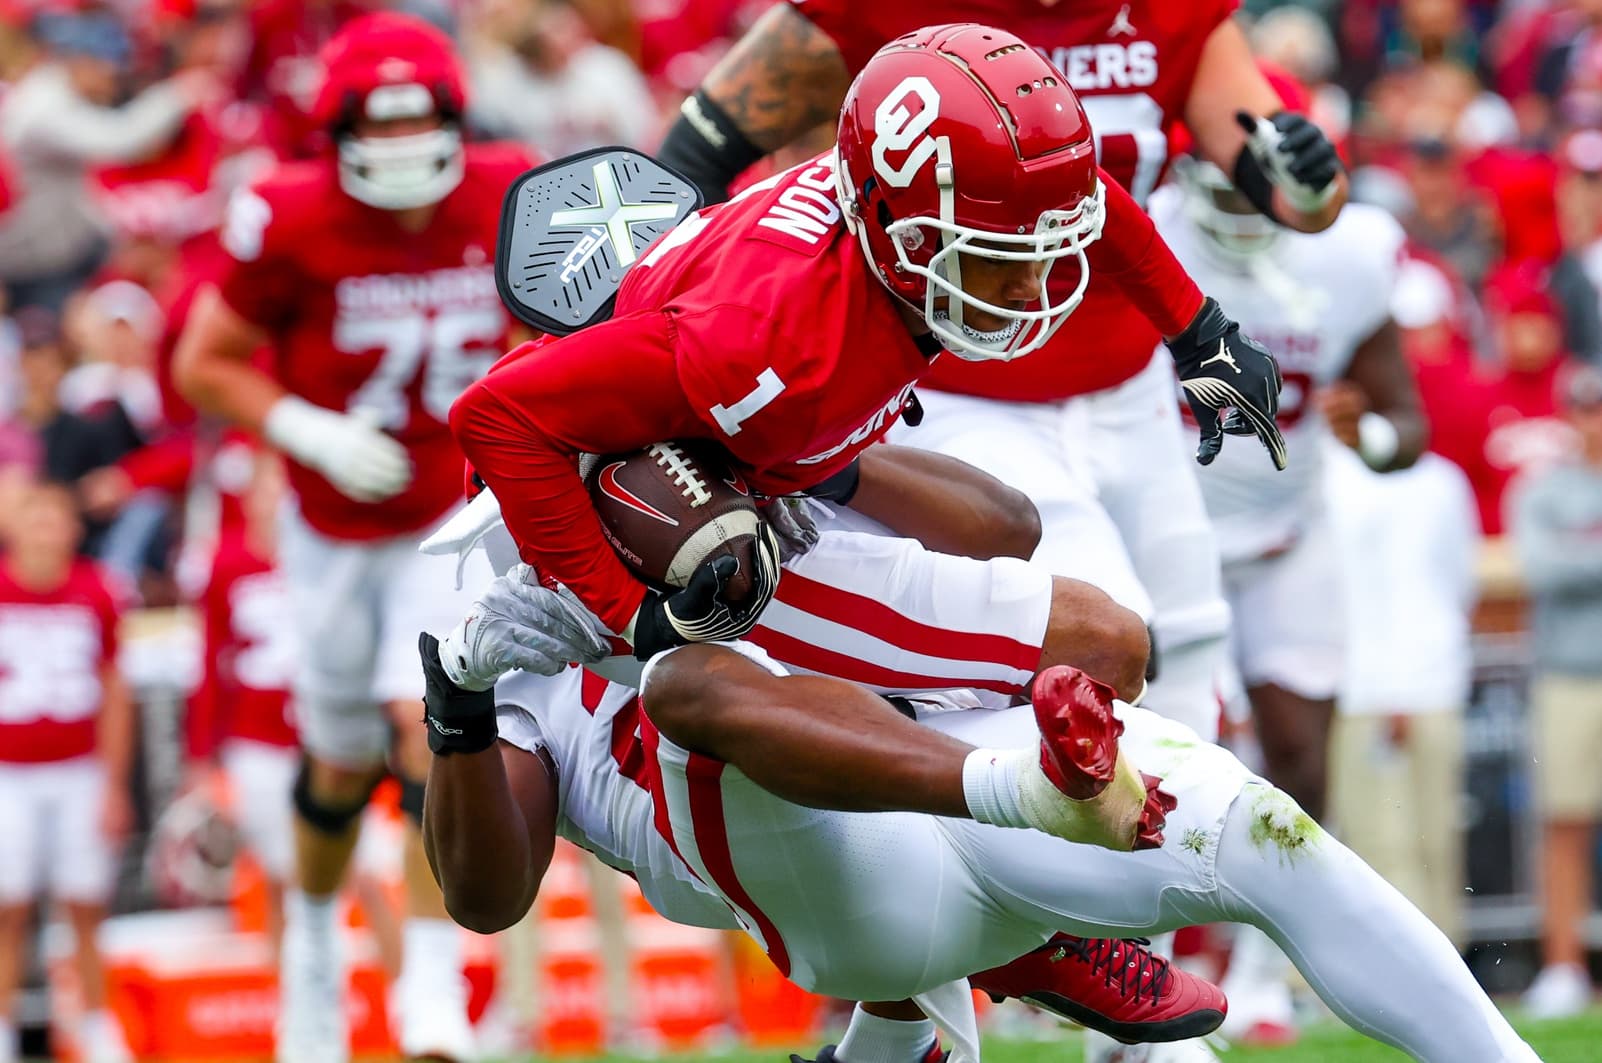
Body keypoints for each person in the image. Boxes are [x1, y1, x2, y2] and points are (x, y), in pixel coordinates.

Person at [415, 570, 1543, 1063]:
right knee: (694, 681)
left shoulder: (755, 436)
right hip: (815, 873)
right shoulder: (494, 578)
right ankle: (1013, 902)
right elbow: (485, 895)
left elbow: (1007, 535)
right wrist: (462, 703)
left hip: (938, 758)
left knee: (1265, 834)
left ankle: (936, 1008)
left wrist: (830, 475)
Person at [655, 0, 1344, 737]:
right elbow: (690, 161)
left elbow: (1282, 195)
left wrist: (1301, 188)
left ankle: (1183, 845)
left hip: (1127, 380)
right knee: (1098, 638)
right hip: (954, 378)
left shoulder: (1171, 15)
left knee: (1192, 637)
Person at [171, 13, 535, 1062]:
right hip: (333, 527)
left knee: (437, 733)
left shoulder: (505, 187)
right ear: (330, 134)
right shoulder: (285, 213)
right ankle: (316, 960)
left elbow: (554, 325)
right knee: (336, 764)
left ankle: (429, 988)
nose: (400, 154)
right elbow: (208, 358)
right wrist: (302, 426)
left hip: (452, 516)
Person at [0, 481, 134, 1063]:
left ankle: (95, 1022)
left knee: (85, 904)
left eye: (56, 520)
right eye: (36, 518)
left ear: (75, 530)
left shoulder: (96, 590)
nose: (46, 531)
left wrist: (113, 782)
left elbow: (114, 689)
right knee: (9, 907)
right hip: (10, 772)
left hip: (78, 769)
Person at [1509, 363, 1602, 1019]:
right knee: (1564, 824)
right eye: (1586, 408)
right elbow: (1542, 566)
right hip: (1568, 674)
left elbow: (1567, 564)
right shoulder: (1544, 487)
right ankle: (1566, 964)